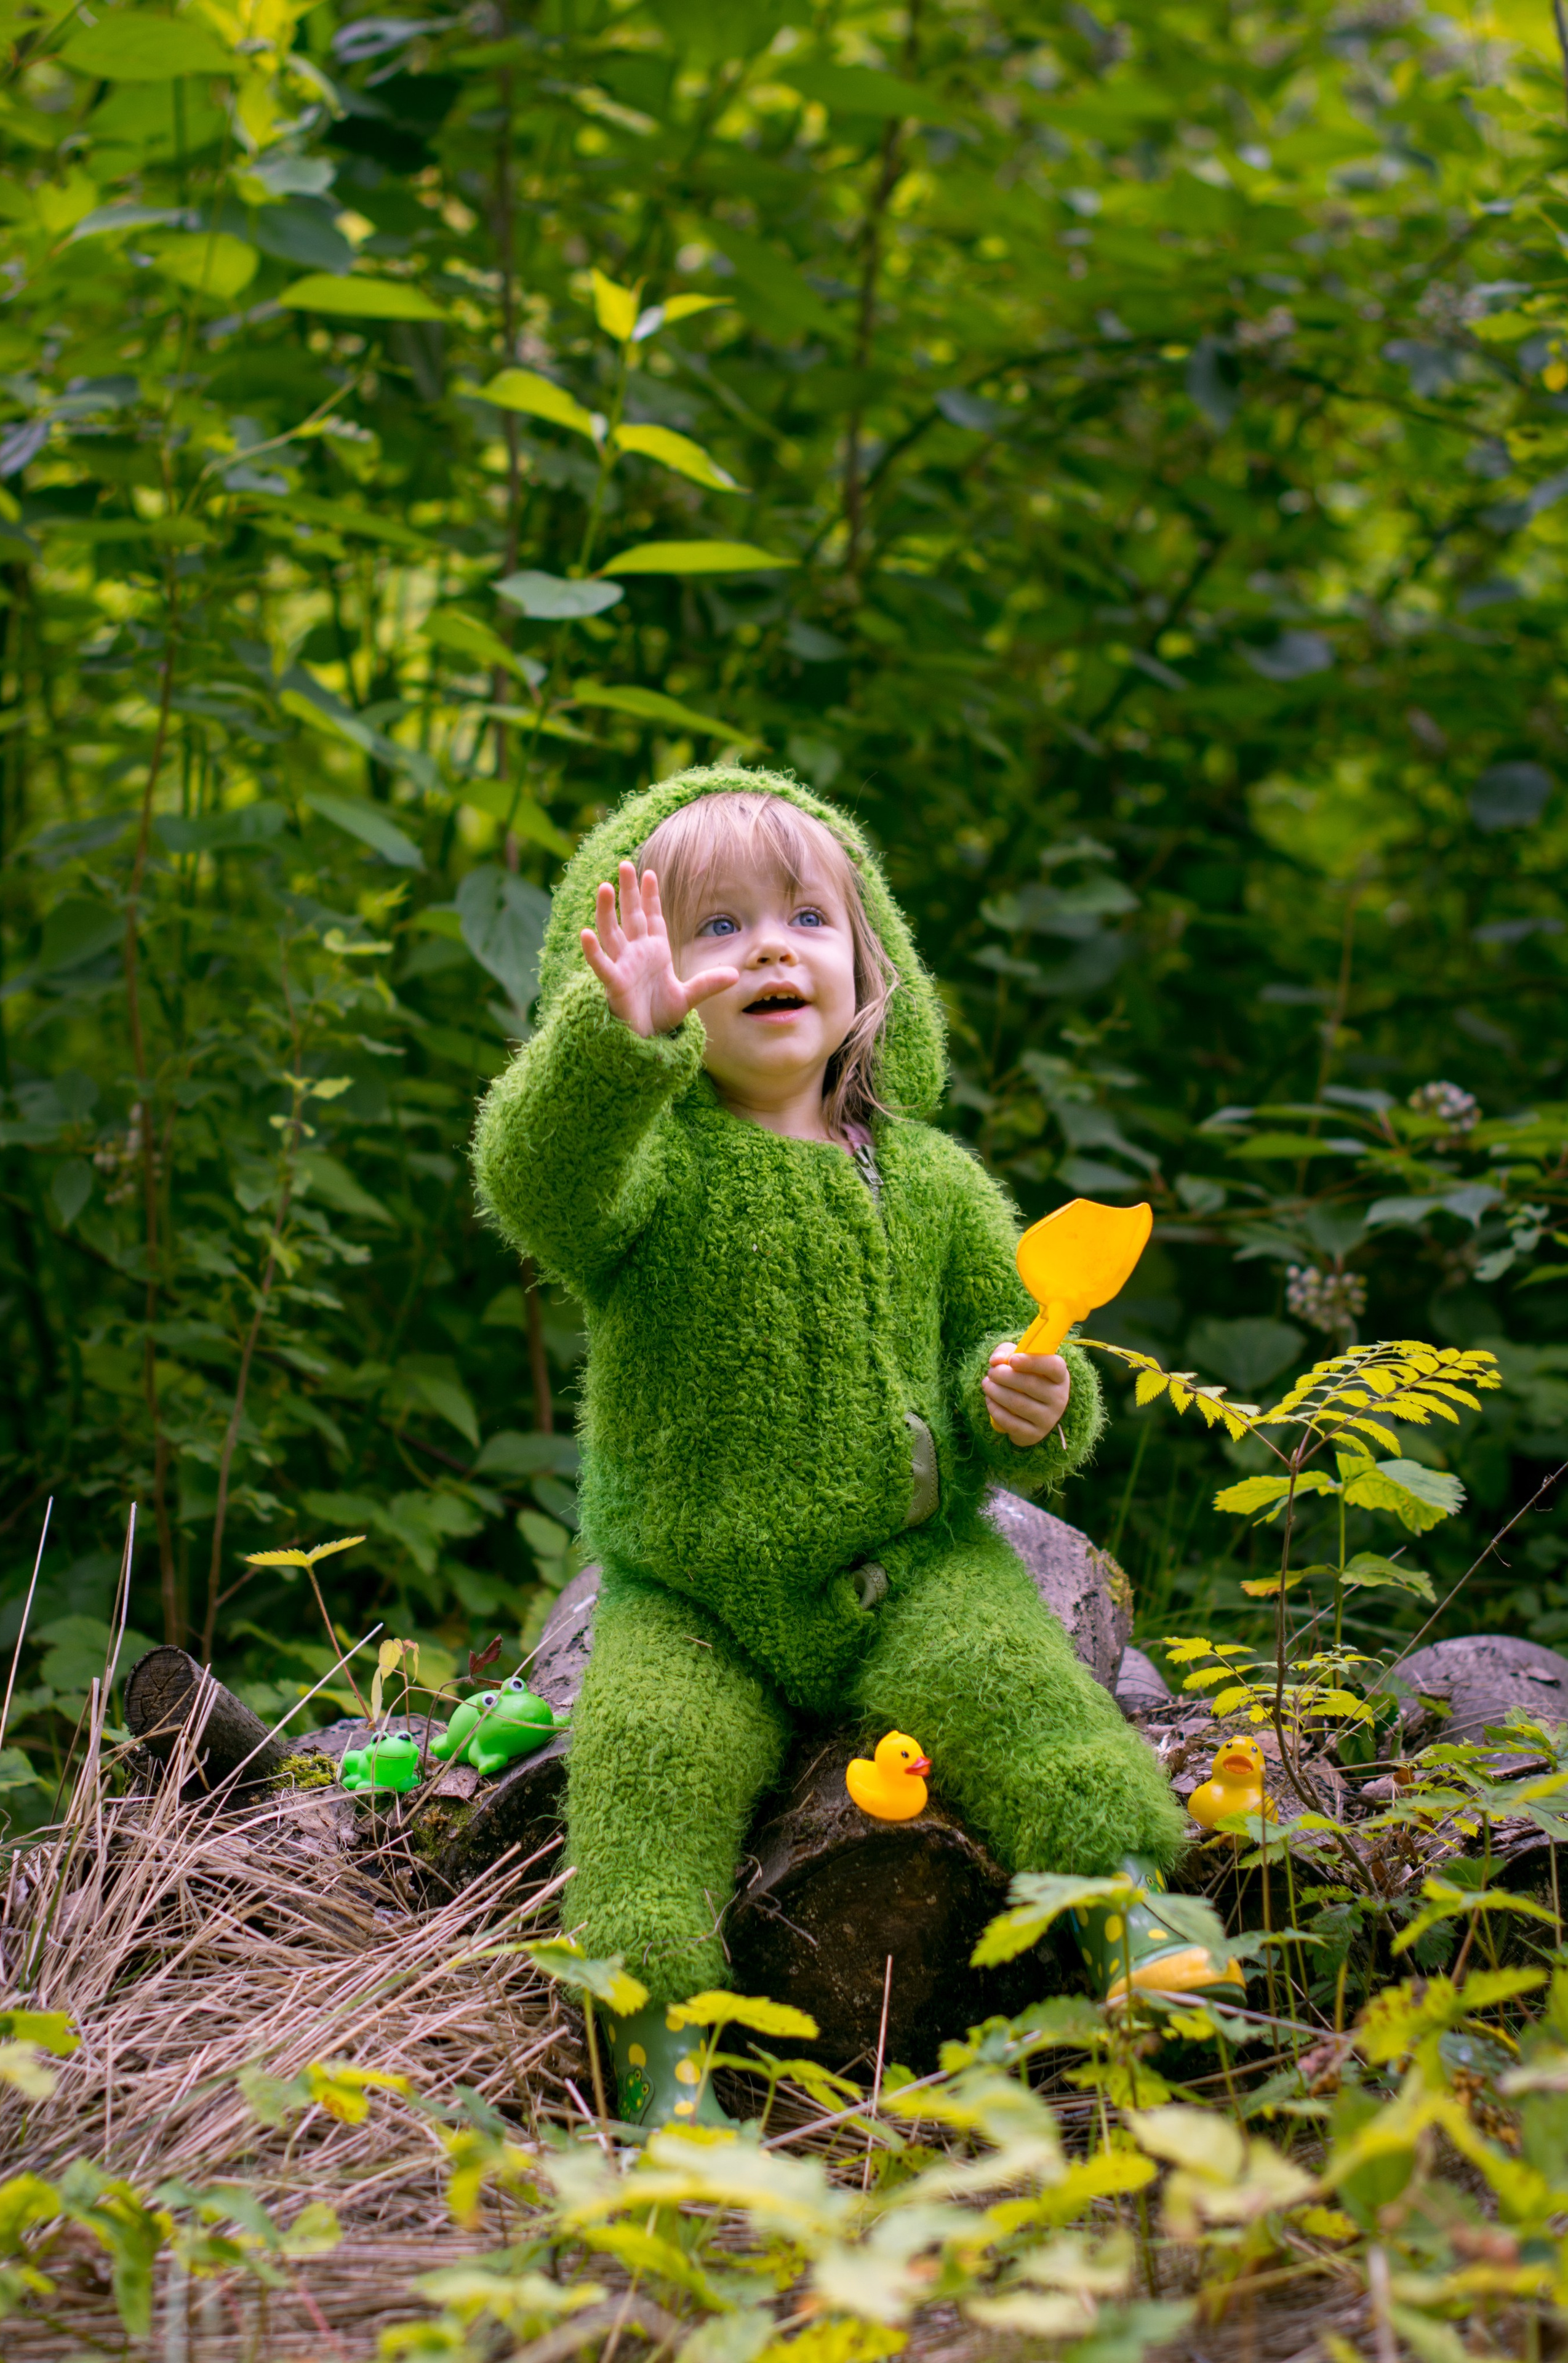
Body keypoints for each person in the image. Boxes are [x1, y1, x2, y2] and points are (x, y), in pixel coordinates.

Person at [474, 767, 1222, 2133]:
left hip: (910, 1570)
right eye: (715, 929)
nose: (768, 950)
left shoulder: (929, 1180)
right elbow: (537, 1181)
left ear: (874, 965)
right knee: (641, 1784)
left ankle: (1140, 1930)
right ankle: (659, 2069)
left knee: (1035, 1706)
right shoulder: (649, 1166)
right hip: (690, 1601)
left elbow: (1010, 1347)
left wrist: (1034, 1402)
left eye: (806, 919)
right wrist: (611, 1048)